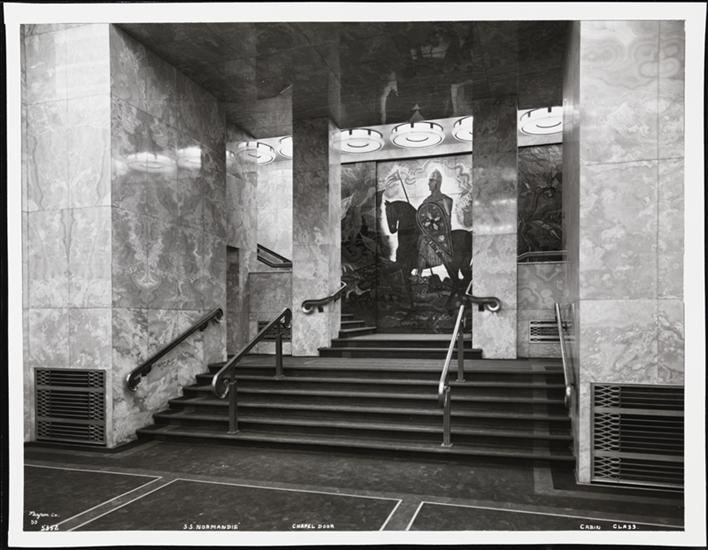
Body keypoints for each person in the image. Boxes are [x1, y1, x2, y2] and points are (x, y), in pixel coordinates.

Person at [416, 169, 453, 276]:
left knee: (424, 243)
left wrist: (434, 232)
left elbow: (446, 220)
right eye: (429, 181)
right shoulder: (426, 201)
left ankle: (419, 274)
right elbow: (422, 219)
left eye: (431, 181)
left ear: (437, 183)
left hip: (440, 234)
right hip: (429, 232)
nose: (428, 183)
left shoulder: (446, 200)